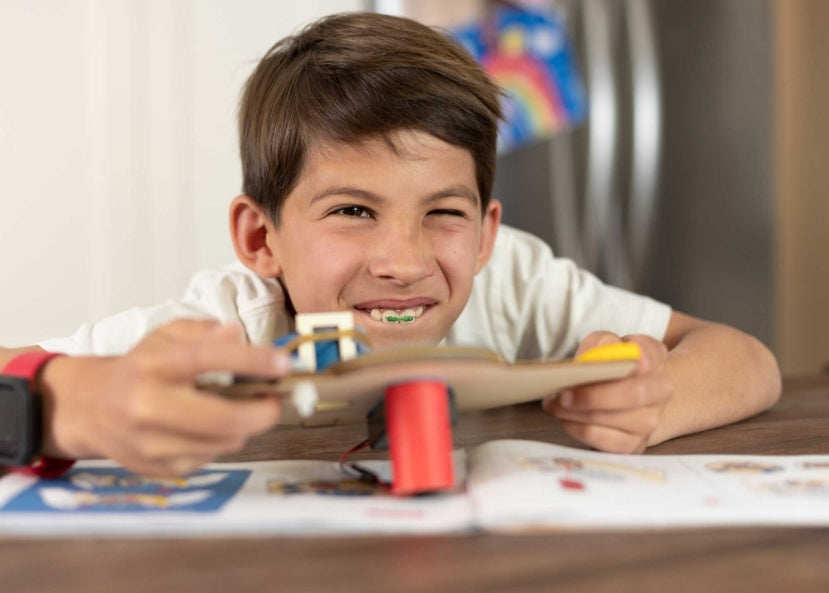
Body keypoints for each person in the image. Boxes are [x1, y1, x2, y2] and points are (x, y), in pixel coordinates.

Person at [0, 12, 780, 478]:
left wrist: (657, 399)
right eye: (351, 210)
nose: (403, 262)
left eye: (443, 213)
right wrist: (77, 404)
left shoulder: (516, 282)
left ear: (485, 233)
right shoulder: (225, 327)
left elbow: (747, 359)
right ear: (259, 238)